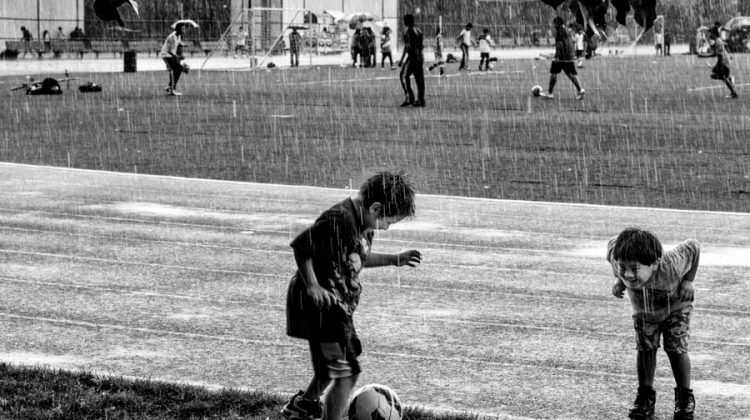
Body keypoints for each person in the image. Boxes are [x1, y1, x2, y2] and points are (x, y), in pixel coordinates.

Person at [281, 171, 421, 420]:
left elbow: (357, 258)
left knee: (337, 365)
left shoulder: (365, 224)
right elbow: (302, 246)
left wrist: (393, 259)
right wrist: (313, 285)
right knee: (346, 373)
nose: (387, 227)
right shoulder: (340, 219)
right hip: (320, 307)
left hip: (338, 309)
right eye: (389, 221)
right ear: (376, 208)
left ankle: (304, 405)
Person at [606, 228, 699, 420]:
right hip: (645, 313)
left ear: (655, 263)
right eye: (623, 267)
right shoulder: (617, 254)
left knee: (676, 349)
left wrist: (688, 281)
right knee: (645, 348)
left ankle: (684, 398)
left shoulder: (671, 264)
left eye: (635, 268)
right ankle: (645, 397)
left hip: (676, 309)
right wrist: (618, 278)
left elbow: (694, 247)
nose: (629, 274)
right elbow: (612, 249)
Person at [542, 17, 585, 100]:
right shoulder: (567, 30)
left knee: (553, 73)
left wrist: (557, 56)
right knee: (571, 74)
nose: (553, 26)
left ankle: (550, 93)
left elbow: (560, 44)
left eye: (554, 24)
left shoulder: (560, 31)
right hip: (569, 56)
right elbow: (571, 41)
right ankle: (580, 89)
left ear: (557, 24)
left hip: (561, 56)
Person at [398, 13, 425, 107]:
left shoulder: (408, 31)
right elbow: (420, 45)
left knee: (403, 76)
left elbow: (408, 46)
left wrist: (402, 59)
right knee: (419, 79)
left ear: (406, 21)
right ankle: (421, 100)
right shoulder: (418, 30)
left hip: (413, 57)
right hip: (420, 57)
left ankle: (410, 98)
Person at [708, 27, 738, 99]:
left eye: (710, 33)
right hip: (721, 61)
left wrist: (721, 65)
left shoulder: (718, 41)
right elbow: (717, 52)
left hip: (723, 62)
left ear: (714, 34)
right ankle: (729, 79)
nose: (710, 35)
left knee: (722, 76)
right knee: (713, 75)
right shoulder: (717, 41)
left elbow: (720, 54)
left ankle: (733, 93)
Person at [160, 22, 186, 96]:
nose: (184, 30)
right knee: (174, 70)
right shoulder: (172, 37)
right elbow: (170, 51)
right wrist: (178, 57)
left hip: (171, 55)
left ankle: (170, 86)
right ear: (178, 29)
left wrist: (182, 44)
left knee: (179, 69)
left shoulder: (178, 36)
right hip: (166, 55)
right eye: (183, 29)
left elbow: (177, 43)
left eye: (184, 29)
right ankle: (172, 89)